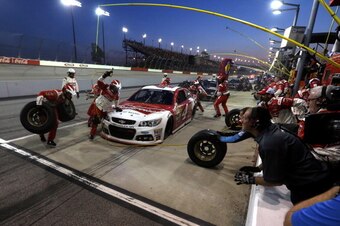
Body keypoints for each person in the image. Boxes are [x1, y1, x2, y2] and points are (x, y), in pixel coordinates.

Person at [234, 107, 334, 204]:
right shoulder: (272, 130)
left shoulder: (269, 142)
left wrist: (249, 179)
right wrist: (258, 169)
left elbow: (274, 181)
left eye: (244, 118)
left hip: (310, 187)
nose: (241, 120)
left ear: (255, 123)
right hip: (316, 176)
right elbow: (277, 158)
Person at [87, 71, 121, 140]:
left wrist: (116, 107)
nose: (114, 90)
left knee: (105, 120)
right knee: (95, 120)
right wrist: (105, 75)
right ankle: (92, 134)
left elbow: (116, 102)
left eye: (116, 89)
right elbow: (99, 81)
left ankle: (105, 131)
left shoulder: (117, 94)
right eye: (113, 88)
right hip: (98, 105)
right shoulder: (106, 87)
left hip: (106, 108)